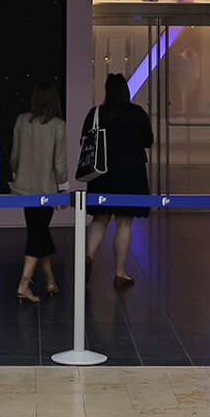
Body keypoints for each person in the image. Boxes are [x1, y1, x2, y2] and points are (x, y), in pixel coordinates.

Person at [83, 73, 153, 286]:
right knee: (124, 222)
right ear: (126, 90)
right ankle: (120, 272)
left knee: (100, 219)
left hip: (102, 174)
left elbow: (84, 140)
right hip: (131, 175)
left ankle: (89, 255)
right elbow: (148, 141)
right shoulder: (137, 113)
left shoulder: (96, 113)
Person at [9, 81, 69, 303]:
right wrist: (64, 191)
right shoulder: (58, 125)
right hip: (47, 190)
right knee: (38, 232)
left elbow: (14, 156)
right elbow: (60, 164)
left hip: (25, 189)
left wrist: (17, 176)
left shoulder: (22, 121)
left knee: (37, 232)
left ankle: (51, 281)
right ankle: (24, 284)